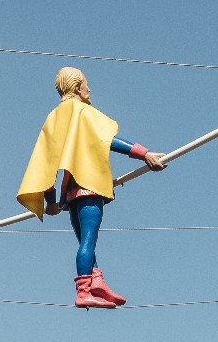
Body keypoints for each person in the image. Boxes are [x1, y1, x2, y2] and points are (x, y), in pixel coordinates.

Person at [15, 67, 165, 309]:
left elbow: (47, 162)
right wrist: (143, 153)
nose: (89, 89)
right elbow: (106, 139)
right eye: (86, 84)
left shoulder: (53, 118)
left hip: (70, 191)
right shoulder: (81, 111)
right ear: (76, 88)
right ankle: (84, 290)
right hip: (88, 185)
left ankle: (96, 282)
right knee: (88, 240)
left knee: (85, 241)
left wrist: (51, 201)